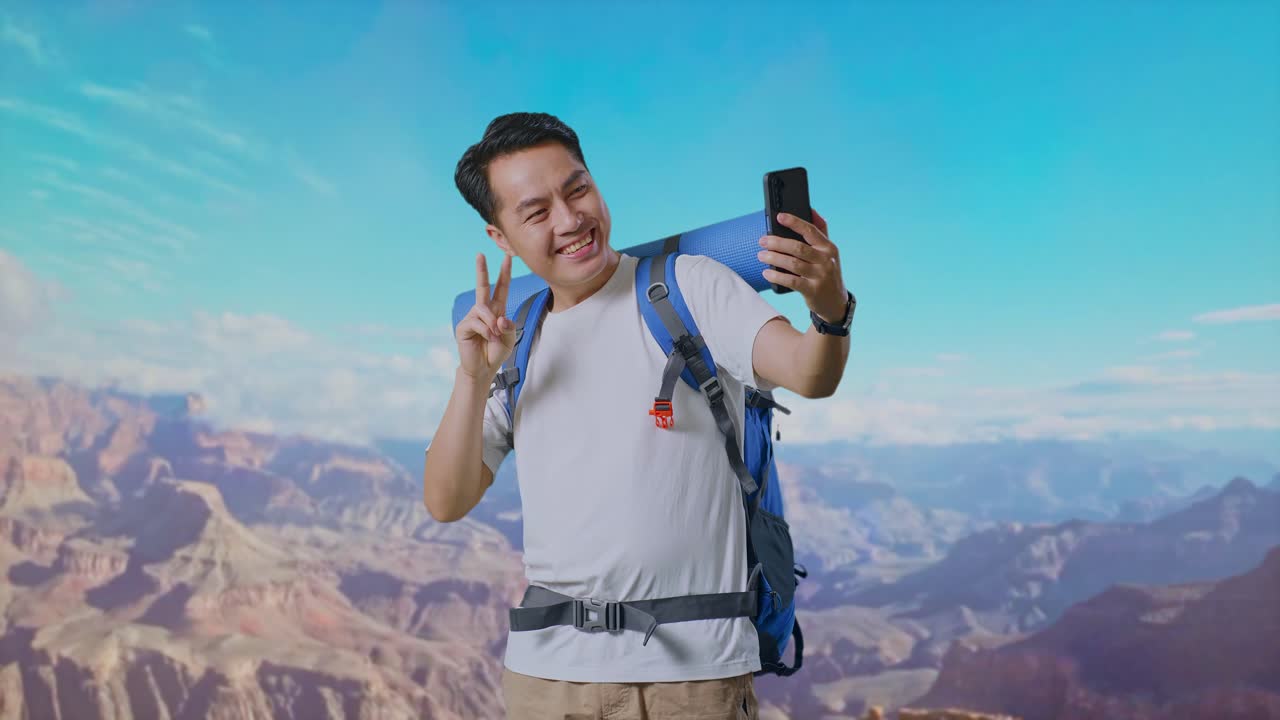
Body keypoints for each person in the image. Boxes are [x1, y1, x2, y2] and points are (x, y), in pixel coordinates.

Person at [423, 112, 852, 719]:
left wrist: (829, 308)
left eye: (578, 189)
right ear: (502, 238)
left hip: (692, 683)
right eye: (537, 211)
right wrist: (473, 376)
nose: (571, 221)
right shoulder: (513, 342)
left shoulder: (689, 289)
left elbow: (812, 372)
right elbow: (445, 500)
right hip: (545, 682)